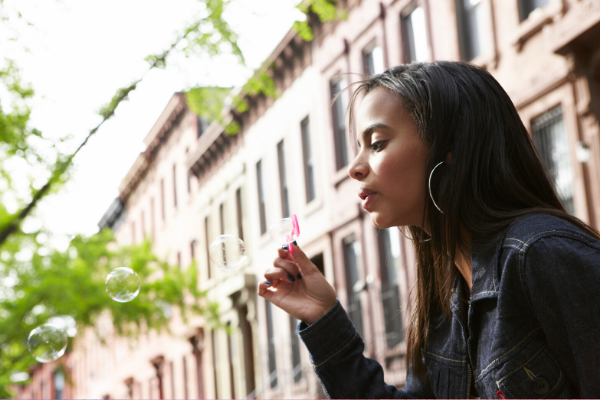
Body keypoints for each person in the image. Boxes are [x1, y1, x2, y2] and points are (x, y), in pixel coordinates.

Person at [257, 61, 600, 399]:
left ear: (449, 149)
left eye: (376, 143)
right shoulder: (441, 298)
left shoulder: (541, 254)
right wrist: (323, 317)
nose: (354, 168)